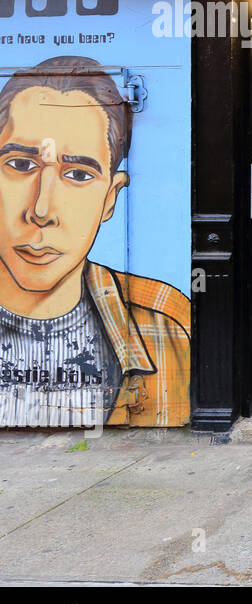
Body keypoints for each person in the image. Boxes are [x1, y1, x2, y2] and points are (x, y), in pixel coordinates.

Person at [0, 55, 189, 427]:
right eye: (21, 165)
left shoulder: (166, 323)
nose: (41, 210)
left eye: (78, 173)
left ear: (111, 198)